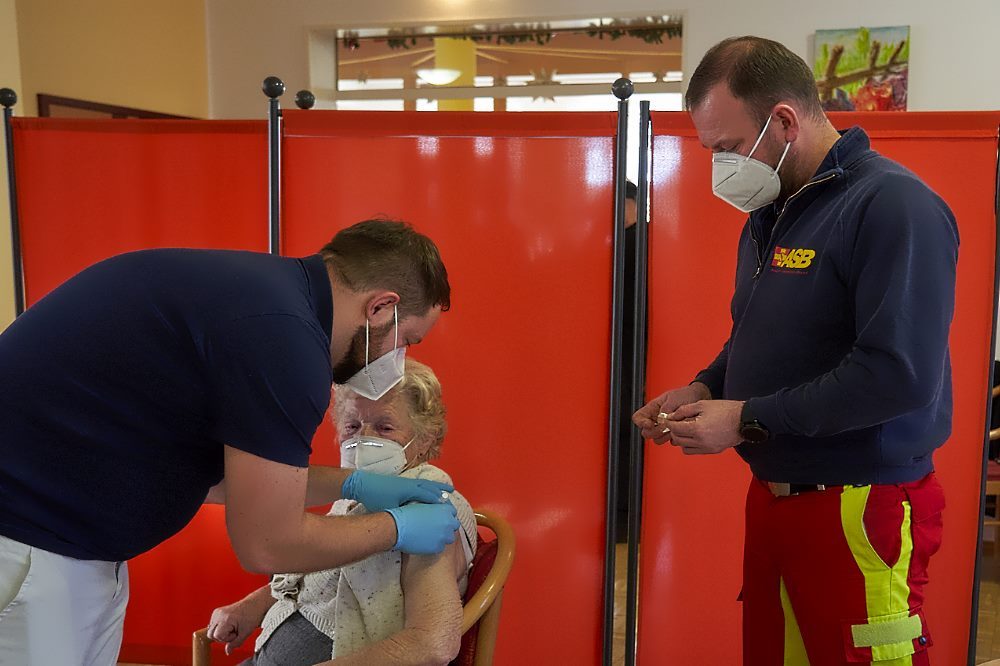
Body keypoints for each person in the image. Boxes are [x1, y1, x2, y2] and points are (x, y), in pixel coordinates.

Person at [0, 219, 462, 666]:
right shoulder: (284, 338)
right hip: (28, 544)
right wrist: (397, 529)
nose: (395, 361)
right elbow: (266, 545)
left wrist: (351, 486)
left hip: (65, 546)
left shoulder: (261, 299)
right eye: (405, 340)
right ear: (380, 307)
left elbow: (225, 484)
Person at [633, 37, 957, 665]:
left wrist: (747, 417)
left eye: (727, 149)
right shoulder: (773, 211)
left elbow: (898, 375)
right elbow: (757, 333)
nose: (720, 168)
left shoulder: (893, 205)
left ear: (782, 120)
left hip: (862, 502)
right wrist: (706, 387)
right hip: (777, 498)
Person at [207, 358, 476, 666]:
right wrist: (253, 605)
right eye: (352, 426)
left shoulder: (433, 509)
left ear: (425, 436)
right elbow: (317, 574)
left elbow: (432, 644)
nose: (364, 439)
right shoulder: (351, 498)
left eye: (384, 427)